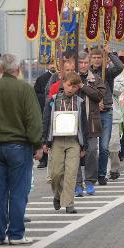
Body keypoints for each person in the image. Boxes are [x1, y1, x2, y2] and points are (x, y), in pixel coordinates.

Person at [0, 53, 43, 245]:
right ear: (18, 69)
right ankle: (16, 234)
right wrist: (37, 144)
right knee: (18, 192)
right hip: (19, 147)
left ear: (2, 68)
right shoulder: (24, 89)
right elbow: (33, 119)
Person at [43, 72, 89, 213]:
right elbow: (46, 120)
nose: (71, 89)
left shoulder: (79, 102)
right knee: (56, 173)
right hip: (57, 139)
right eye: (69, 85)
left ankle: (69, 203)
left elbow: (83, 124)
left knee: (71, 172)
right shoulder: (53, 100)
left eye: (75, 87)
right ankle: (57, 195)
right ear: (63, 83)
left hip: (73, 141)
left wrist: (84, 145)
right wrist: (45, 141)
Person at [89, 45, 124, 185]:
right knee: (92, 147)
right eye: (94, 57)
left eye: (99, 57)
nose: (97, 60)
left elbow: (120, 67)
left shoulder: (108, 73)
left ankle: (102, 174)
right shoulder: (87, 73)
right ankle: (91, 173)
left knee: (104, 146)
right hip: (91, 112)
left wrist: (109, 53)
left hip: (107, 112)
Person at [75, 51, 105, 195]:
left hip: (91, 122)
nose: (83, 65)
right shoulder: (70, 77)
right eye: (80, 62)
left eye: (85, 62)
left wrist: (82, 86)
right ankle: (77, 184)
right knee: (74, 154)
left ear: (89, 63)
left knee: (92, 152)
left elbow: (98, 95)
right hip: (73, 124)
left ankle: (90, 182)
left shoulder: (96, 79)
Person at [34, 60, 56, 169]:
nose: (52, 66)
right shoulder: (41, 78)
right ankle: (43, 159)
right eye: (50, 63)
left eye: (54, 63)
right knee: (44, 132)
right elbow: (36, 93)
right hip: (45, 108)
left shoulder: (60, 77)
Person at [109, 72, 124, 180]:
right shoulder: (91, 71)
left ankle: (114, 168)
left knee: (113, 143)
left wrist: (108, 80)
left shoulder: (116, 73)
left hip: (112, 112)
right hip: (95, 112)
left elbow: (120, 89)